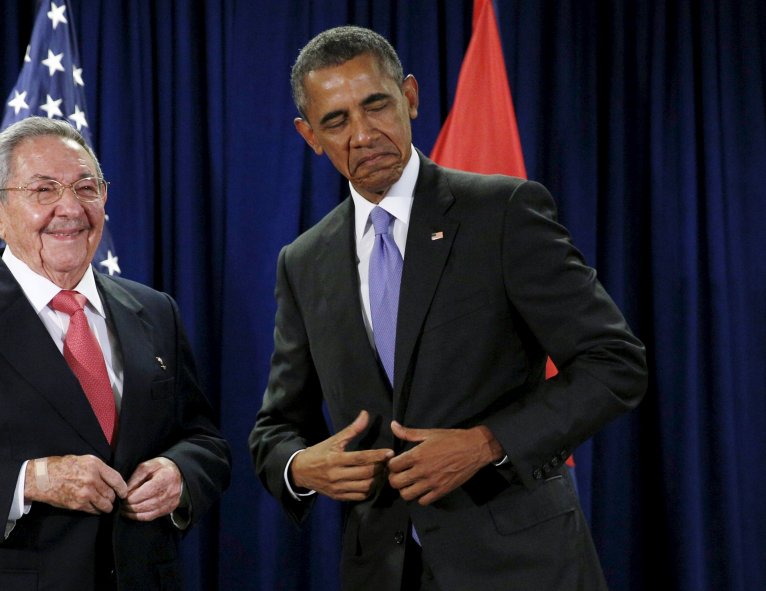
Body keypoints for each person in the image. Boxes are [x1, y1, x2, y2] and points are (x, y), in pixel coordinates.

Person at [249, 26, 647, 591]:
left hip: (521, 563)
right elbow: (278, 424)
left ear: (409, 96)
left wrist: (488, 442)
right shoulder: (303, 260)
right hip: (382, 570)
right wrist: (299, 467)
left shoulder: (502, 212)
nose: (362, 134)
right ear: (309, 135)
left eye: (376, 104)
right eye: (336, 121)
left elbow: (615, 363)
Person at [0, 117, 231, 590]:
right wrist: (29, 482)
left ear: (104, 198)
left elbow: (203, 439)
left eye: (85, 187)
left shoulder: (154, 311)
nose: (70, 208)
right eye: (44, 190)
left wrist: (182, 472)